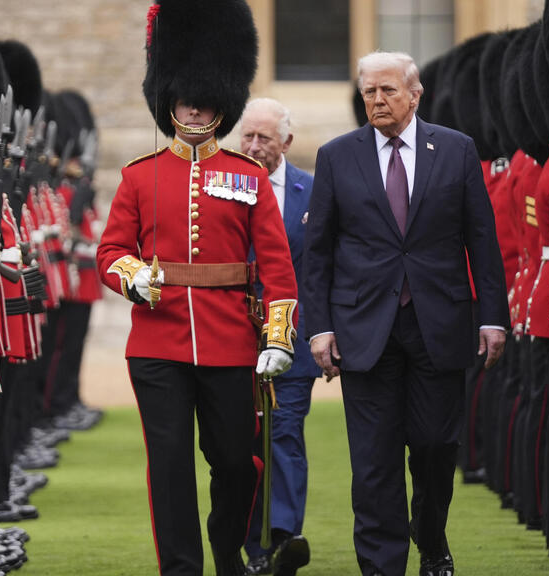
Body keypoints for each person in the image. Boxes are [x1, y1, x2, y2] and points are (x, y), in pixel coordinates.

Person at [95, 2, 298, 575]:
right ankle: (181, 569)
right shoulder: (139, 175)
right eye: (185, 95)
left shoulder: (249, 176)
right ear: (169, 97)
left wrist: (278, 337)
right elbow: (110, 253)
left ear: (222, 102)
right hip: (157, 347)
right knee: (170, 469)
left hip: (230, 341)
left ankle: (227, 547)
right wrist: (132, 276)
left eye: (206, 97)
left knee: (237, 462)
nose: (195, 104)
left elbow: (277, 268)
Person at [303, 51, 509, 576]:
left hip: (437, 324)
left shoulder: (457, 150)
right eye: (369, 91)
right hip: (363, 330)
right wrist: (320, 328)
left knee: (437, 448)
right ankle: (382, 566)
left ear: (415, 95)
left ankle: (432, 537)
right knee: (373, 463)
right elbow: (319, 250)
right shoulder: (336, 156)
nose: (377, 100)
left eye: (388, 90)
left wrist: (492, 316)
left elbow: (481, 239)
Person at [238, 98, 320, 576]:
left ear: (285, 142)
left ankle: (283, 538)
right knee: (244, 444)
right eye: (247, 136)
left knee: (285, 436)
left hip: (291, 339)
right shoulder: (222, 187)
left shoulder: (311, 191)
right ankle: (251, 543)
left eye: (263, 138)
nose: (253, 146)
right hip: (235, 337)